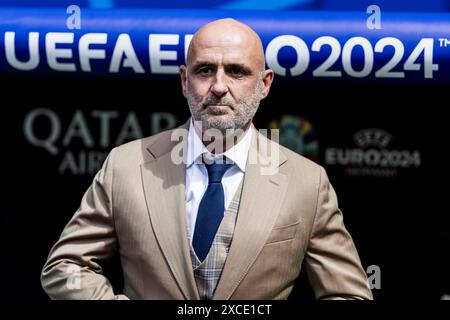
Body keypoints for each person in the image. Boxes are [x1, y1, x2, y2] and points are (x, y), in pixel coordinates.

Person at [41, 18, 373, 300]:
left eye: (237, 72)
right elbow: (64, 267)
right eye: (205, 70)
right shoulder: (126, 166)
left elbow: (349, 292)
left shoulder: (306, 182)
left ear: (265, 83)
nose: (218, 86)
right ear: (185, 81)